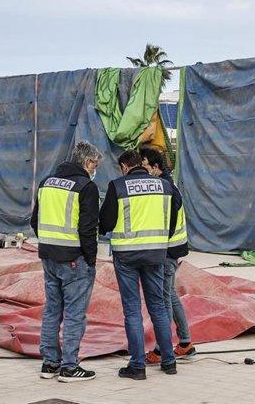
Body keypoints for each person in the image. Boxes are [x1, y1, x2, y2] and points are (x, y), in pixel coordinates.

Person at [99, 147, 180, 380]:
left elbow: (105, 222)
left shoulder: (118, 186)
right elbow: (172, 219)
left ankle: (137, 366)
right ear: (142, 164)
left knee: (132, 311)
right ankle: (169, 361)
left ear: (125, 167)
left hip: (127, 257)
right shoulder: (165, 186)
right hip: (156, 255)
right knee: (159, 308)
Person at [30, 141, 102, 382]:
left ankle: (50, 363)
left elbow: (34, 221)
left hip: (49, 256)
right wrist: (90, 260)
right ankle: (70, 366)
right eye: (95, 165)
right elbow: (88, 229)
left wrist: (50, 244)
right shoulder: (86, 187)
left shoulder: (46, 183)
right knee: (74, 314)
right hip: (74, 259)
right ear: (87, 162)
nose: (95, 169)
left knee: (52, 310)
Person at [142, 151, 194, 364]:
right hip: (174, 249)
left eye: (144, 165)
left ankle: (161, 349)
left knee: (162, 300)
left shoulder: (165, 189)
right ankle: (185, 342)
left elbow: (167, 224)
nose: (142, 170)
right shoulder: (168, 185)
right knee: (170, 295)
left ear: (155, 167)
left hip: (167, 252)